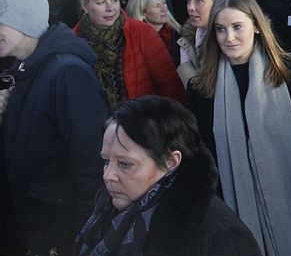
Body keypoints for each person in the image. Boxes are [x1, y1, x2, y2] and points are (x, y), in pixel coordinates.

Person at [188, 0, 291, 256]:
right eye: (221, 29)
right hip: (238, 214)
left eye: (237, 27)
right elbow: (203, 156)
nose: (229, 37)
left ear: (257, 27)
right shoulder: (201, 89)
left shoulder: (290, 72)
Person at [75, 95, 261, 256]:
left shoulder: (219, 234)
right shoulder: (106, 211)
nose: (108, 176)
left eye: (125, 164)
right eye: (106, 161)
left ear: (171, 162)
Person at [1, 0, 108, 256]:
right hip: (42, 224)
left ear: (24, 22)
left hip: (62, 229)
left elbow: (91, 161)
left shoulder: (67, 72)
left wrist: (84, 235)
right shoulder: (25, 71)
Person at [74, 0, 185, 111]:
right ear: (84, 5)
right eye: (101, 2)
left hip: (145, 125)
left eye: (114, 0)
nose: (111, 8)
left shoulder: (143, 33)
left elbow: (170, 86)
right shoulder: (73, 42)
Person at [177, 0, 230, 87]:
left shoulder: (230, 40)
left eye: (199, 0)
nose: (190, 7)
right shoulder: (188, 40)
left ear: (218, 2)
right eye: (188, 0)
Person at [126, 0, 181, 64]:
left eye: (164, 3)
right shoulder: (136, 46)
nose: (164, 9)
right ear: (142, 13)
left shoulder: (180, 34)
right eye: (157, 6)